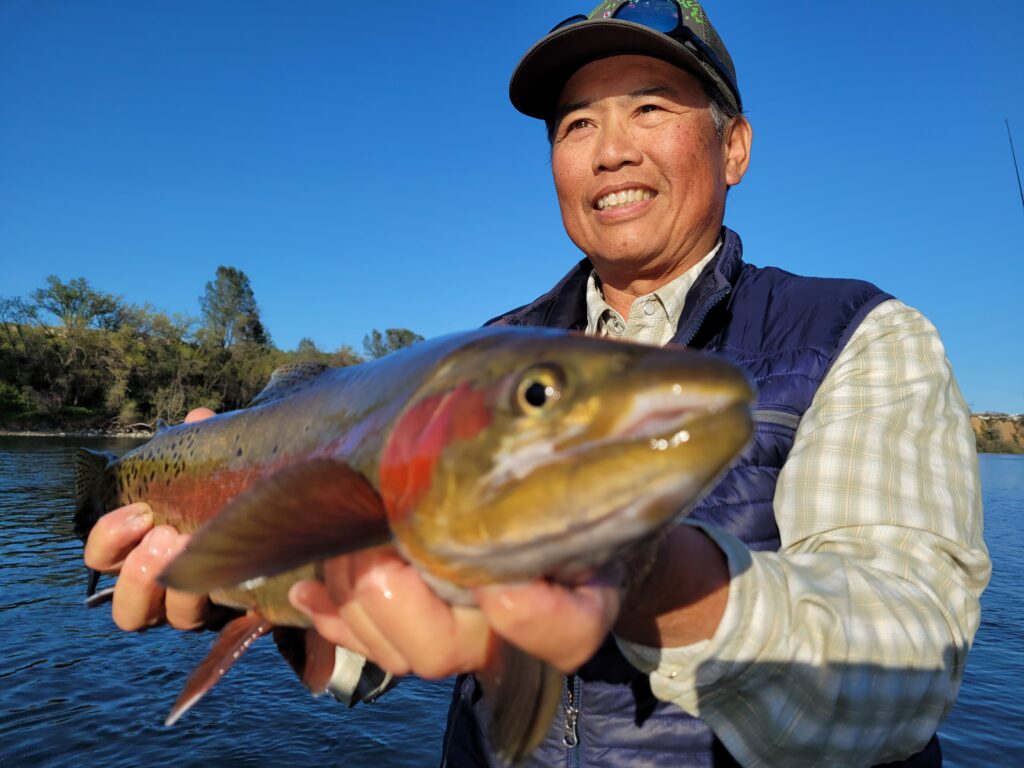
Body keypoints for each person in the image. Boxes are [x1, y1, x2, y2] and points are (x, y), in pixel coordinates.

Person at [84, 1, 990, 765]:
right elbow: (362, 661)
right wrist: (250, 591)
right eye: (576, 124)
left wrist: (647, 573)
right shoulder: (488, 353)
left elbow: (904, 660)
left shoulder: (862, 338)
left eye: (650, 107)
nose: (609, 150)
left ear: (734, 147)